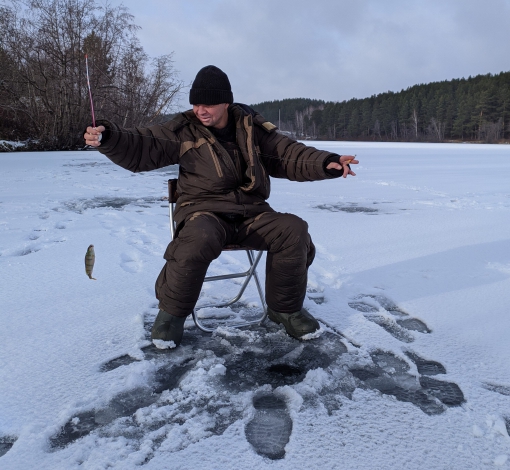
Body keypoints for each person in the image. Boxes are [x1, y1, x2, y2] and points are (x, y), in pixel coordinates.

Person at [84, 65, 358, 347]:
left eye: (209, 104)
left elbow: (288, 154)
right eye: (196, 103)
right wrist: (109, 137)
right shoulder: (182, 130)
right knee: (198, 237)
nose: (201, 110)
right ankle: (171, 316)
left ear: (226, 101)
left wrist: (326, 162)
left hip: (252, 214)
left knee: (293, 229)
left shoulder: (252, 128)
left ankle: (285, 311)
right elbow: (142, 147)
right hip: (204, 213)